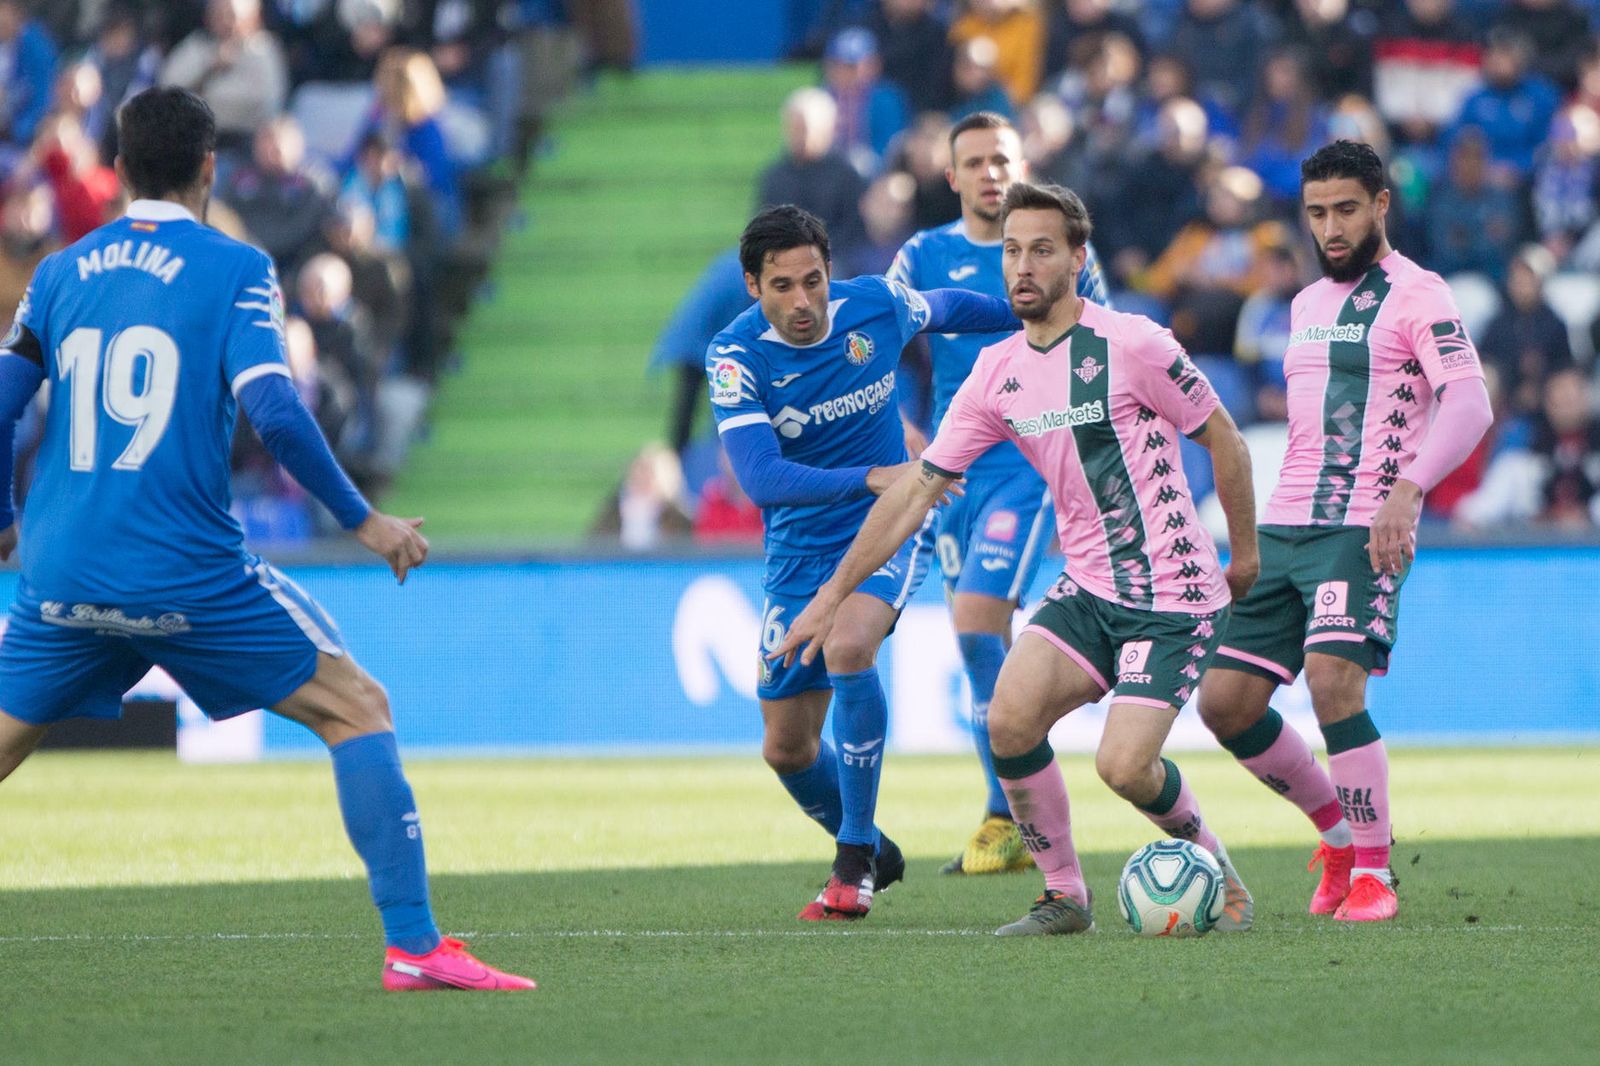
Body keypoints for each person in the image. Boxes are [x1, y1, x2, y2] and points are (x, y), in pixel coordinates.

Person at [0, 87, 532, 992]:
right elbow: (277, 410)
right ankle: (414, 946)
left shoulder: (59, 273)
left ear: (119, 170)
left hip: (62, 572)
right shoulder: (237, 267)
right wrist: (364, 519)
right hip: (185, 571)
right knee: (357, 708)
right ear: (210, 168)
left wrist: (3, 521)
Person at [773, 182, 1261, 937]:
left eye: (1041, 249)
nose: (1022, 266)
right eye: (1010, 251)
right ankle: (1065, 896)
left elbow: (1225, 439)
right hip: (1090, 588)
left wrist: (1245, 556)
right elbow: (915, 492)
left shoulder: (1134, 343)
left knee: (1123, 767)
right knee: (1008, 720)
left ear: (1077, 259)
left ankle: (1220, 873)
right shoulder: (996, 372)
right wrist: (833, 594)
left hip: (1175, 593)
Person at [1197, 140, 1492, 923]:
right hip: (1284, 524)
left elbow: (1470, 403)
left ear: (1381, 205)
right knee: (1224, 704)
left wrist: (1408, 490)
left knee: (1332, 681)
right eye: (1317, 212)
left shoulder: (1419, 293)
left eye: (1347, 210)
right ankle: (1337, 837)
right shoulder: (1303, 304)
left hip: (1362, 524)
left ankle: (1373, 873)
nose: (1331, 228)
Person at [708, 203, 1019, 921]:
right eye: (782, 286)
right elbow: (762, 479)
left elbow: (949, 308)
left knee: (849, 646)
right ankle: (877, 847)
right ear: (753, 286)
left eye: (812, 281)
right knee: (787, 749)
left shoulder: (875, 304)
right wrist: (874, 474)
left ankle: (851, 861)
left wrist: (1031, 314)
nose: (803, 301)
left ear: (830, 271)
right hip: (800, 550)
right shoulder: (735, 358)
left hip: (889, 524)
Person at [887, 111, 1111, 876]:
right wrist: (904, 430)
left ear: (1024, 166)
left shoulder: (1060, 251)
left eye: (1002, 159)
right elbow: (870, 347)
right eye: (975, 161)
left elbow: (1106, 342)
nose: (990, 173)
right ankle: (1013, 807)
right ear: (951, 176)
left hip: (1029, 461)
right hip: (954, 469)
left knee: (979, 617)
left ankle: (1008, 813)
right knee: (975, 637)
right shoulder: (922, 255)